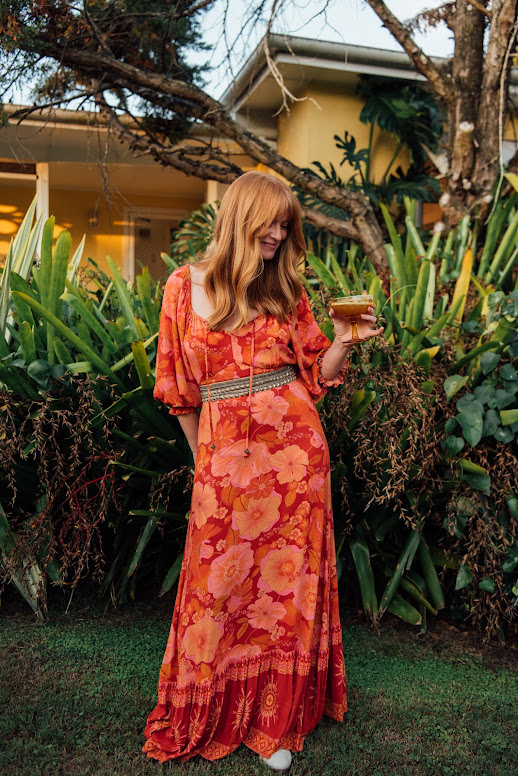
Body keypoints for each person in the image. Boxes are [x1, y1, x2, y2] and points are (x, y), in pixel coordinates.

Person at [143, 171, 383, 771]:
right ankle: (215, 707)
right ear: (239, 218)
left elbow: (319, 374)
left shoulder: (286, 291)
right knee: (216, 588)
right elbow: (178, 393)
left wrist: (347, 340)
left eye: (286, 224)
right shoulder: (182, 287)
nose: (278, 234)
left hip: (296, 459)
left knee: (284, 594)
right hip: (224, 456)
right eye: (270, 221)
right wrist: (205, 461)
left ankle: (274, 723)